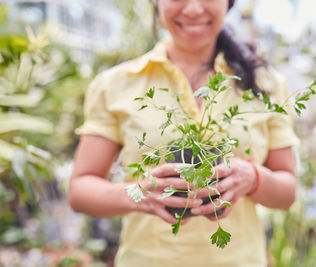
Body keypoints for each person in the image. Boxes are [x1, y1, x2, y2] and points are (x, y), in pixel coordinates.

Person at [68, 0, 299, 266]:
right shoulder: (115, 85)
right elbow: (79, 190)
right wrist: (139, 193)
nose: (192, 9)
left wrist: (254, 178)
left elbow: (287, 192)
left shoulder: (264, 83)